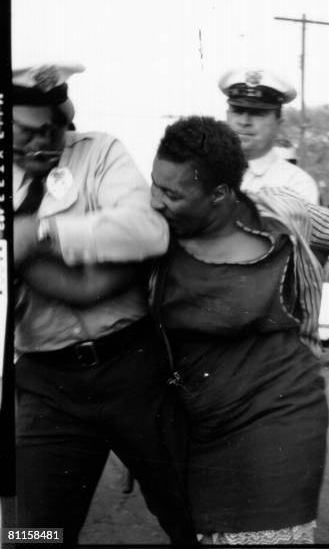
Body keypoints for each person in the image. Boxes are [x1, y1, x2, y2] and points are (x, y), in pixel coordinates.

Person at [144, 115, 329, 545]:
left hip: (279, 414)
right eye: (154, 184)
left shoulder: (278, 213)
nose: (156, 200)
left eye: (172, 194)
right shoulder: (151, 235)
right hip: (195, 424)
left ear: (219, 194)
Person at [7, 63, 195, 546]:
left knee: (192, 516)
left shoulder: (98, 152)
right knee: (37, 535)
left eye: (53, 127)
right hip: (46, 383)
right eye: (27, 132)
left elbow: (146, 231)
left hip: (130, 367)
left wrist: (42, 234)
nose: (42, 143)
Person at [219, 68, 319, 204]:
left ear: (278, 123)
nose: (244, 122)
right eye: (237, 111)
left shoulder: (296, 184)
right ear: (227, 115)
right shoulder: (200, 171)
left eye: (257, 113)